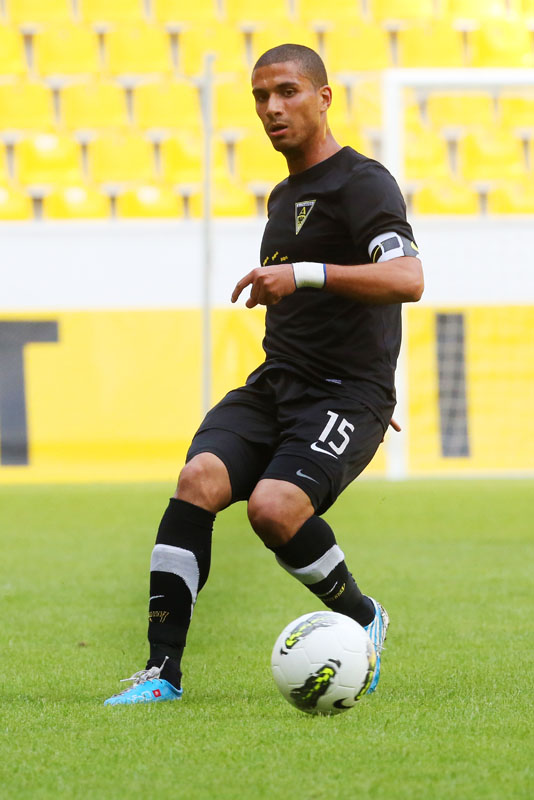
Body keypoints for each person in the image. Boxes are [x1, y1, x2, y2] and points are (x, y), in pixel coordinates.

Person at [104, 43, 423, 706]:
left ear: (324, 98)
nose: (272, 108)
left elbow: (406, 278)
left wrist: (311, 285)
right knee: (197, 480)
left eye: (287, 91)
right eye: (260, 96)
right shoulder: (283, 196)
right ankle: (161, 673)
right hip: (278, 383)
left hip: (344, 395)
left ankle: (363, 615)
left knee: (274, 510)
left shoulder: (363, 182)